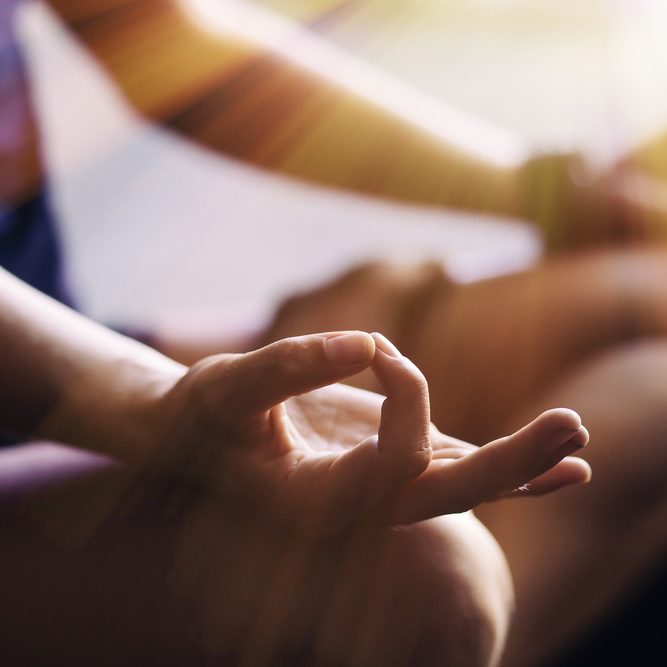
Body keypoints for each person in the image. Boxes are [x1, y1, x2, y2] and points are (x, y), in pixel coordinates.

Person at [0, 1, 661, 665]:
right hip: (52, 401)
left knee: (646, 302)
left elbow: (145, 30)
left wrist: (550, 193)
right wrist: (155, 406)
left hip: (60, 339)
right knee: (427, 582)